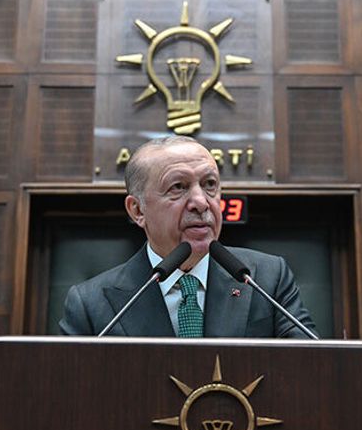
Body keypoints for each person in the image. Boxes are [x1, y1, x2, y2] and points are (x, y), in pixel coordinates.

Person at [60, 136, 316, 338]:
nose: (201, 202)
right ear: (137, 210)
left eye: (210, 185)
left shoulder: (267, 279)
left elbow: (311, 366)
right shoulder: (90, 304)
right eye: (178, 187)